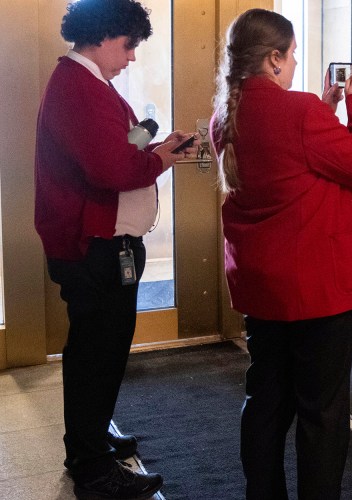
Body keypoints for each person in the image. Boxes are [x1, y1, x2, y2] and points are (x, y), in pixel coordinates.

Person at [209, 8, 352, 500]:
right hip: (316, 290)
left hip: (263, 288)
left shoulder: (226, 115)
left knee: (265, 401)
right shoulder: (300, 111)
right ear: (272, 59)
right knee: (322, 412)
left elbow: (288, 163)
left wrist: (324, 110)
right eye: (290, 55)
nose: (293, 63)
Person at [34, 0, 196, 498]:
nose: (130, 58)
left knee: (103, 348)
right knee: (95, 353)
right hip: (93, 246)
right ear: (103, 35)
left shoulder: (91, 86)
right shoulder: (78, 88)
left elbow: (122, 149)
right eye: (128, 46)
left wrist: (154, 148)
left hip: (108, 243)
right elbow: (111, 170)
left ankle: (94, 433)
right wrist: (162, 159)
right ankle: (92, 466)